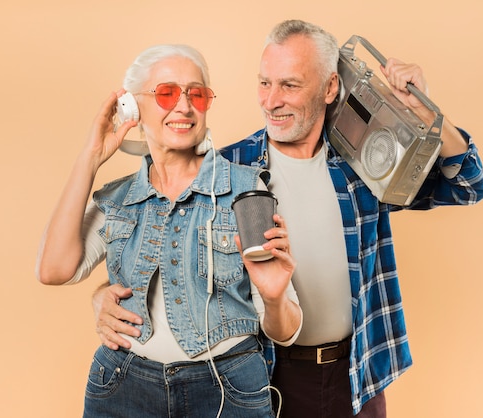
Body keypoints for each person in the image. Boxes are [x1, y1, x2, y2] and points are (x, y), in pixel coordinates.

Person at [91, 20, 483, 418]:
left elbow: (469, 185)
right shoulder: (228, 168)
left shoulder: (366, 168)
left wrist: (423, 111)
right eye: (264, 83)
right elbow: (162, 248)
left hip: (357, 375)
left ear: (330, 88)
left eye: (289, 85)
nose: (271, 100)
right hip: (265, 376)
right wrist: (102, 296)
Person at [35, 43, 302, 418]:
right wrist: (91, 157)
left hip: (228, 389)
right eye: (166, 92)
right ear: (132, 107)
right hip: (123, 388)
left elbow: (286, 331)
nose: (184, 105)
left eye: (196, 93)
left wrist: (274, 300)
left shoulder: (247, 191)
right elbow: (53, 270)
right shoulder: (118, 199)